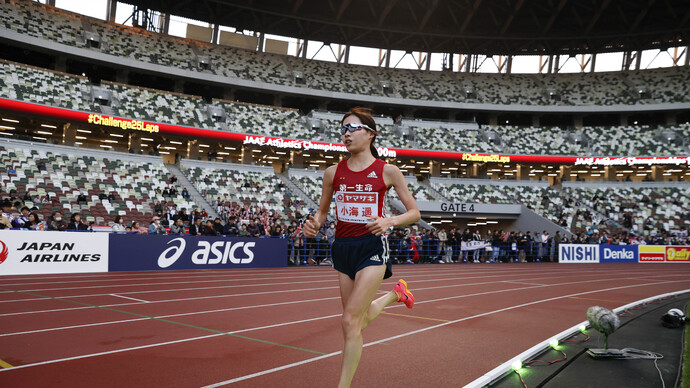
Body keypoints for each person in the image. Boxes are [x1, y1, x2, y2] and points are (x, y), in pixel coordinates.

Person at [302, 107, 420, 388]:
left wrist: (389, 221)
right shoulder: (333, 172)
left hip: (371, 248)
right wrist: (314, 224)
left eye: (352, 127)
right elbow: (322, 212)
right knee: (358, 319)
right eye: (342, 129)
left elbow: (414, 212)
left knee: (348, 321)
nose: (346, 134)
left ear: (370, 133)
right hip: (342, 248)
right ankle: (395, 295)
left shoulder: (387, 170)